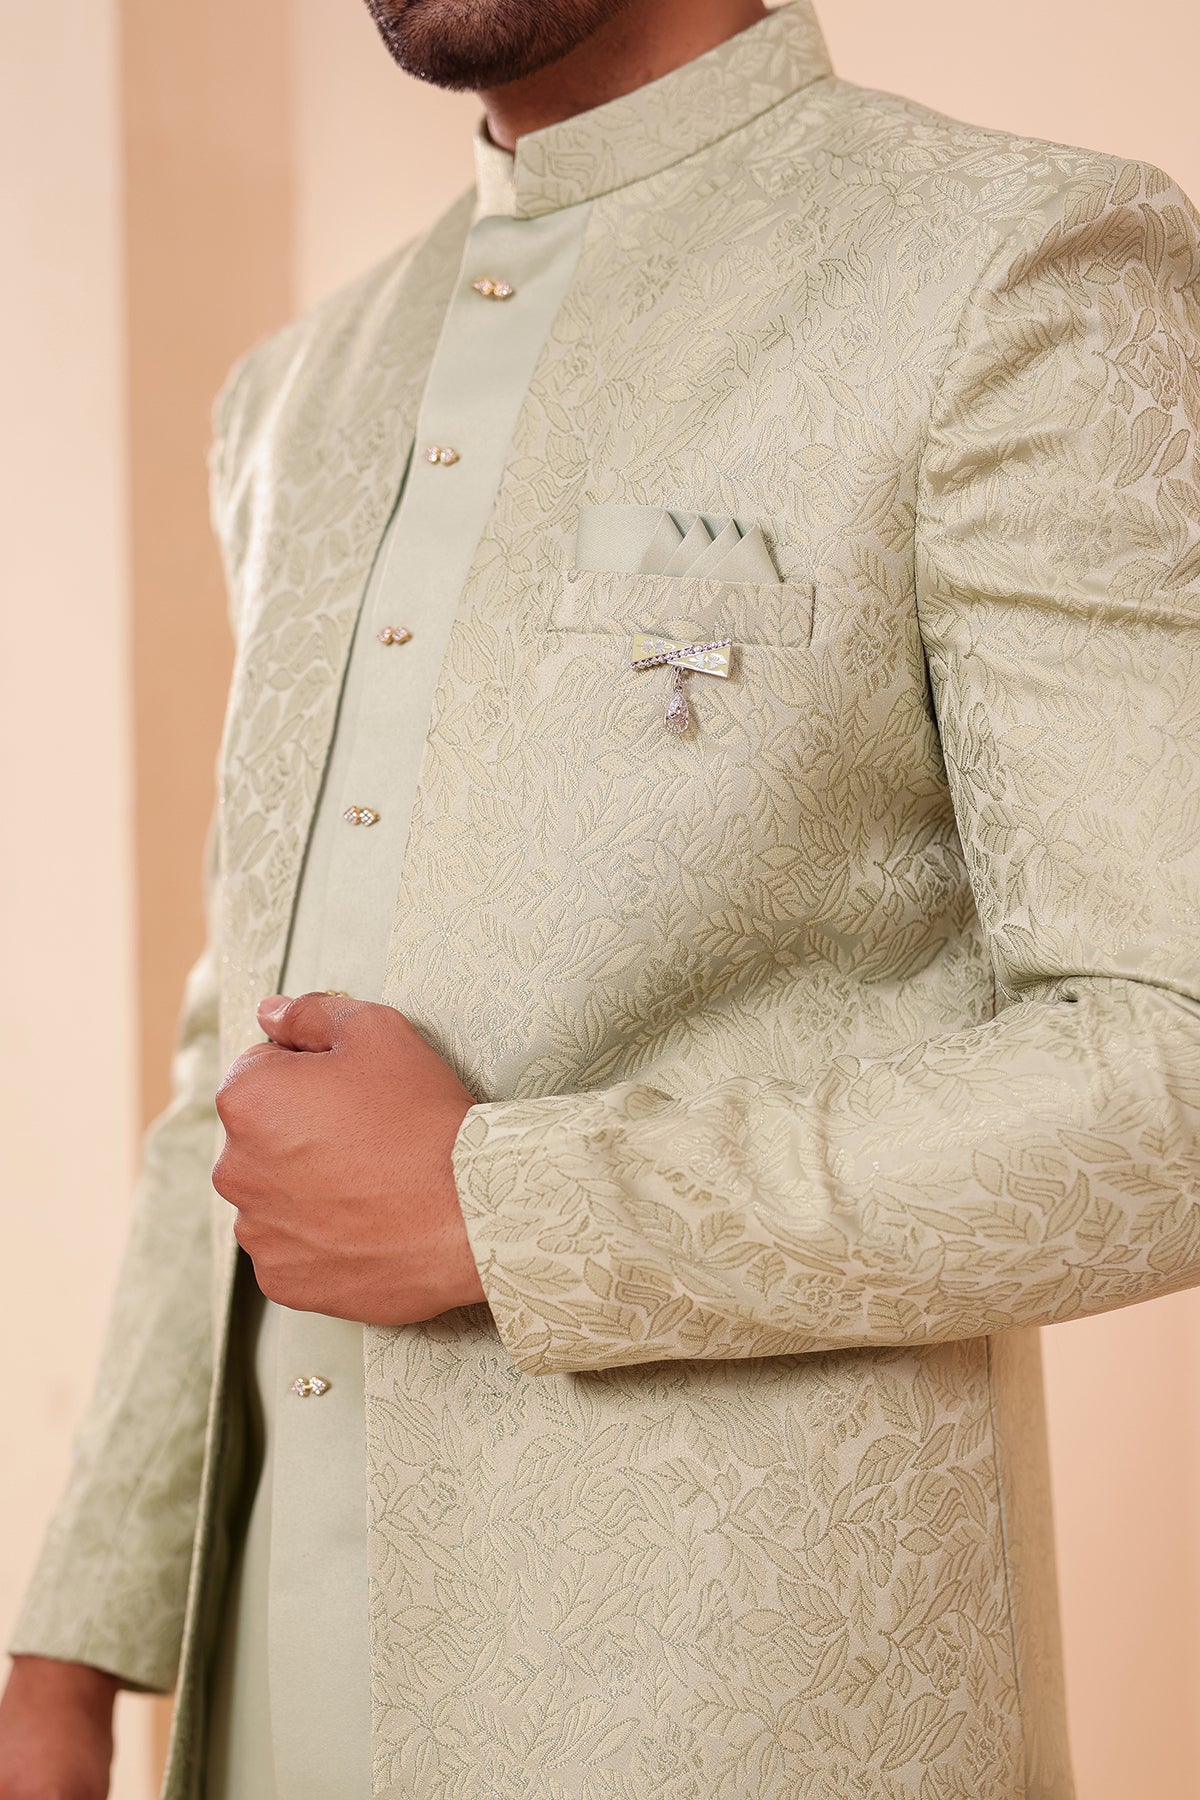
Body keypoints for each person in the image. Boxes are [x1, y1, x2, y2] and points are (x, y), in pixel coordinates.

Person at [4, 0, 1200, 1793]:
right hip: (261, 1713)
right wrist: (70, 1646)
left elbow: (1174, 1064)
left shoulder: (1006, 270)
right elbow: (236, 1057)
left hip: (729, 1720)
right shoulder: (295, 396)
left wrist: (507, 1210)